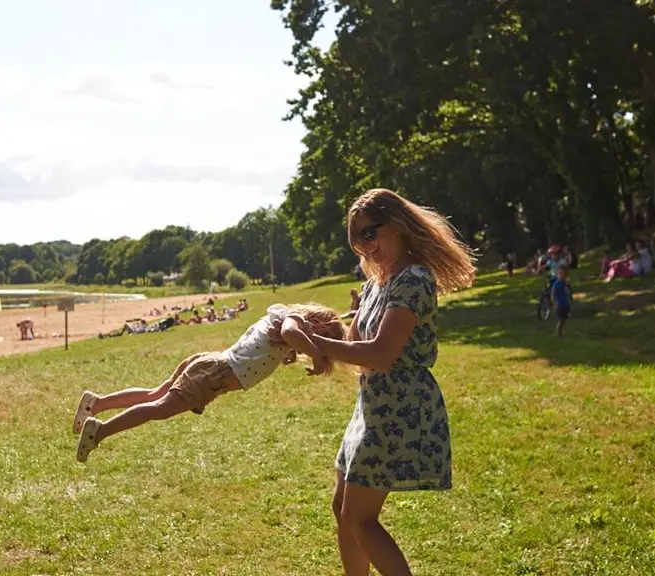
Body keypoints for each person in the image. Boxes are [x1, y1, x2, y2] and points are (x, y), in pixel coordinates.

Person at [272, 188, 475, 576]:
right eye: (356, 240)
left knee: (360, 517)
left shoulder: (413, 280)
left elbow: (381, 354)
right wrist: (302, 333)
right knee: (342, 508)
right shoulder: (377, 283)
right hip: (372, 405)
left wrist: (317, 344)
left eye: (370, 234)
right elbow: (354, 343)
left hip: (400, 406)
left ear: (397, 225)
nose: (364, 247)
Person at [72, 303, 349, 463]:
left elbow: (274, 343)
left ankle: (96, 403)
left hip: (211, 363)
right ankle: (100, 431)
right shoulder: (293, 320)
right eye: (322, 341)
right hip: (214, 375)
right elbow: (292, 332)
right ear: (318, 326)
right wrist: (315, 354)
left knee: (155, 393)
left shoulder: (280, 315)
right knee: (158, 407)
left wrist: (291, 354)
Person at [551, 266, 571, 336]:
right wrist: (554, 302)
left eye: (563, 274)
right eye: (560, 274)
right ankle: (558, 333)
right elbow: (553, 293)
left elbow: (568, 292)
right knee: (561, 320)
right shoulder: (557, 284)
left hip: (565, 304)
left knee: (564, 319)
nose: (561, 276)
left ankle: (560, 331)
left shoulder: (565, 283)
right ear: (557, 274)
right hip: (560, 304)